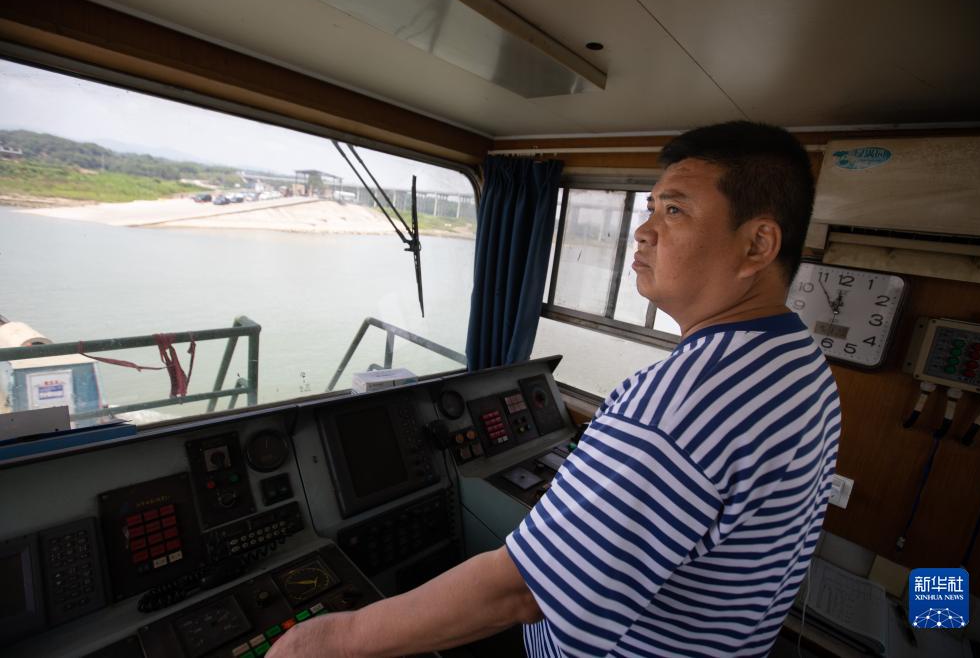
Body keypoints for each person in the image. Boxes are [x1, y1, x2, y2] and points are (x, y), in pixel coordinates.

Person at [269, 121, 840, 658]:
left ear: (757, 245)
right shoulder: (799, 362)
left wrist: (332, 639)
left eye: (674, 210)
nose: (644, 230)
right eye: (650, 208)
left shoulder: (681, 402)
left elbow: (520, 592)